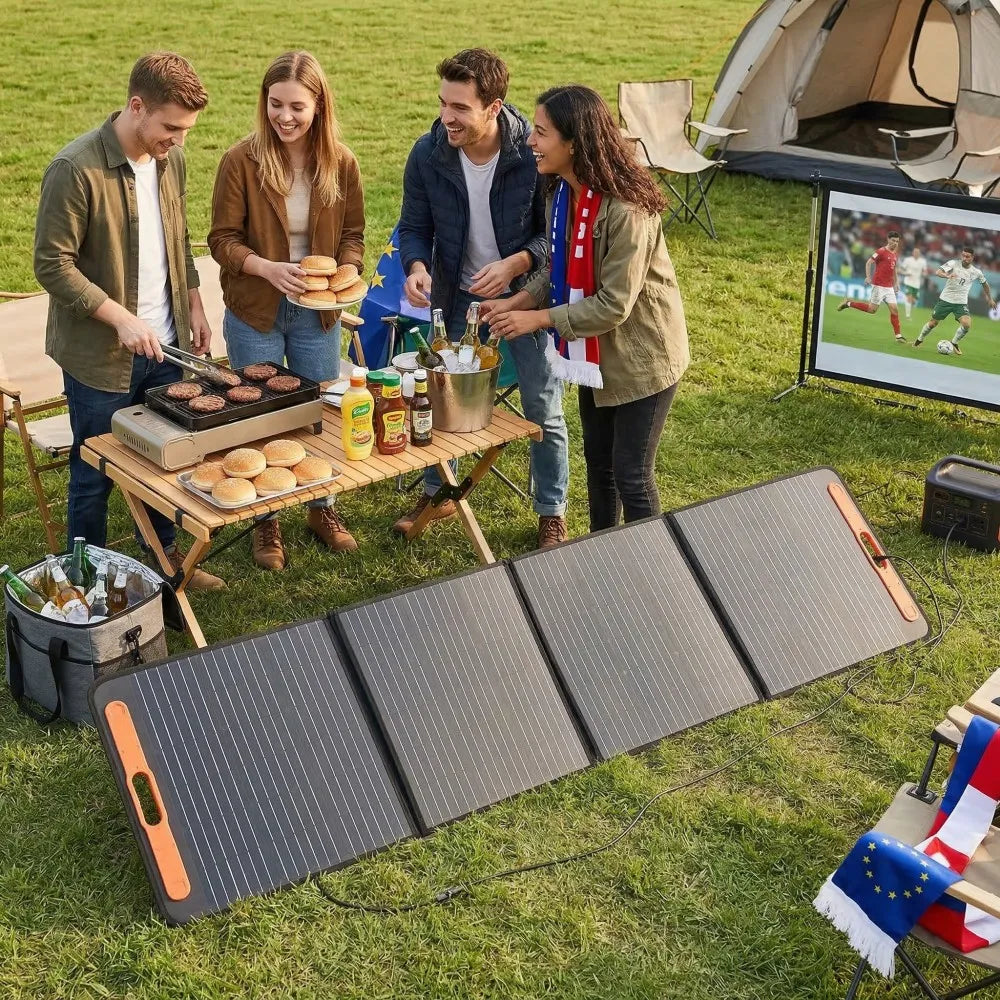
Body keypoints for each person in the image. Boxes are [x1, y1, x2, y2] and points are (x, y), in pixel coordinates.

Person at [33, 52, 224, 590]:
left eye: (186, 130)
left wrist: (193, 301)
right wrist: (120, 319)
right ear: (136, 107)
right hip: (102, 359)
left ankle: (165, 565)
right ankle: (87, 579)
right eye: (171, 128)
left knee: (164, 462)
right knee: (96, 473)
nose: (179, 140)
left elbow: (177, 237)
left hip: (165, 346)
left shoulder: (171, 161)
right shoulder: (75, 170)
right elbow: (51, 264)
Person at [482, 85, 689, 532]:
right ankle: (600, 557)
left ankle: (648, 569)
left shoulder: (628, 210)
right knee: (600, 466)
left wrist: (536, 319)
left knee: (631, 475)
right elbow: (559, 266)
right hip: (594, 358)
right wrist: (520, 299)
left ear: (574, 142)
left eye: (540, 133)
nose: (530, 142)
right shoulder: (562, 193)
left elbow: (614, 304)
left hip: (641, 360)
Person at [396, 48, 570, 549]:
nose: (446, 117)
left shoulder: (533, 157)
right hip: (455, 297)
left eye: (460, 108)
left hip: (525, 298)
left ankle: (551, 511)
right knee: (438, 397)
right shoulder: (428, 153)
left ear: (494, 107)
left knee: (541, 405)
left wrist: (517, 264)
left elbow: (552, 237)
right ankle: (438, 493)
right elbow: (413, 226)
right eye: (443, 103)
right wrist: (417, 267)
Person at [209, 51, 365, 569]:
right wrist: (266, 268)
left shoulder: (341, 162)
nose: (284, 117)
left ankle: (322, 506)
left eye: (297, 106)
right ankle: (266, 521)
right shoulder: (242, 160)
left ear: (319, 106)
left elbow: (352, 236)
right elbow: (222, 240)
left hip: (318, 312)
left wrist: (346, 274)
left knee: (313, 412)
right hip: (256, 307)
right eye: (275, 104)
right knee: (260, 412)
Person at [913, 247, 995, 355]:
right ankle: (919, 340)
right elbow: (938, 272)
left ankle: (954, 342)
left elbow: (985, 284)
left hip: (961, 303)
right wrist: (947, 275)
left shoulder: (976, 272)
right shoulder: (953, 263)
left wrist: (990, 298)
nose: (964, 258)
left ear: (972, 258)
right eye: (963, 255)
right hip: (945, 299)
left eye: (967, 256)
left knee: (966, 324)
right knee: (933, 323)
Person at [837, 231, 906, 343]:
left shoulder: (894, 254)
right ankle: (848, 303)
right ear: (888, 239)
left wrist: (896, 283)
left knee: (894, 310)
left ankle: (898, 336)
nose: (895, 243)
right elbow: (869, 263)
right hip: (878, 285)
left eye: (897, 241)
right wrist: (868, 277)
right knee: (872, 310)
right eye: (893, 240)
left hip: (889, 287)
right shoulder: (881, 251)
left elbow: (894, 269)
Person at [898, 246, 928, 319]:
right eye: (915, 252)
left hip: (917, 283)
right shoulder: (907, 260)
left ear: (919, 254)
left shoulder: (923, 261)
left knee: (913, 301)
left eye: (917, 252)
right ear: (912, 253)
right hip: (908, 281)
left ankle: (909, 311)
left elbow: (925, 271)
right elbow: (899, 270)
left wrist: (924, 274)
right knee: (909, 298)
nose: (916, 253)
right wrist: (905, 273)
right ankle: (907, 316)